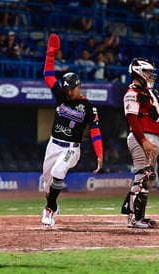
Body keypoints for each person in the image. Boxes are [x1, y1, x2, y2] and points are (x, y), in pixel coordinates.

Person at [41, 33, 103, 227]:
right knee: (46, 184)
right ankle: (53, 203)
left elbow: (94, 131)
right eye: (66, 89)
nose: (67, 92)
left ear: (79, 86)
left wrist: (99, 153)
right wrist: (51, 55)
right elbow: (48, 76)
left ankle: (49, 210)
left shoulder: (88, 106)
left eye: (70, 89)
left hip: (71, 148)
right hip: (53, 144)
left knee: (60, 170)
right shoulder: (62, 97)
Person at [120, 57, 159, 228]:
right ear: (138, 71)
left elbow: (157, 122)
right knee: (143, 176)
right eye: (147, 72)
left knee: (146, 179)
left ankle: (138, 215)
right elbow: (133, 120)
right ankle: (134, 218)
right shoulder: (132, 93)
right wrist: (144, 141)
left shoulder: (148, 93)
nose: (150, 75)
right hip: (141, 137)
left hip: (152, 137)